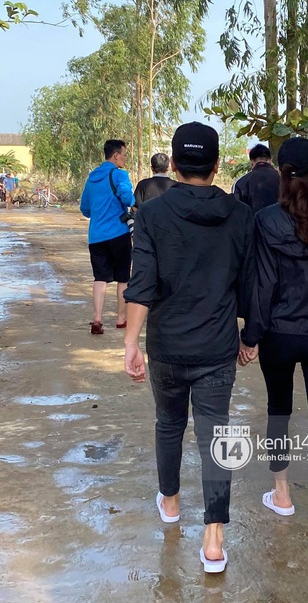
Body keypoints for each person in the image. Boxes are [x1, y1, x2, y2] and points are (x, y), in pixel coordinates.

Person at [123, 122, 255, 575]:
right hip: (217, 347)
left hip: (167, 345)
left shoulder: (153, 215)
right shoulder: (240, 216)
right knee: (218, 437)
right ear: (216, 166)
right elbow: (251, 284)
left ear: (175, 165)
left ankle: (172, 502)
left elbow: (141, 285)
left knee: (168, 424)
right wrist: (249, 335)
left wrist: (130, 343)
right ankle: (214, 541)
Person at [238, 137, 308, 558]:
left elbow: (262, 285)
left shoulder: (266, 221)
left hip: (280, 337)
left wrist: (251, 336)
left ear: (282, 173)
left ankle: (281, 494)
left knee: (278, 410)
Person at [80, 140, 135, 334]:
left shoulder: (92, 177)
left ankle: (97, 319)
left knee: (100, 278)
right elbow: (128, 199)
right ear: (116, 155)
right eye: (124, 154)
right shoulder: (120, 174)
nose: (125, 158)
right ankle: (121, 318)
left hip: (96, 235)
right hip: (118, 233)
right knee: (122, 277)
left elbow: (84, 208)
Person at [232, 143, 280, 214]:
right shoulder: (283, 179)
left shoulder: (241, 182)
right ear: (270, 160)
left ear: (251, 161)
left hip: (252, 224)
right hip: (281, 224)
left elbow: (237, 212)